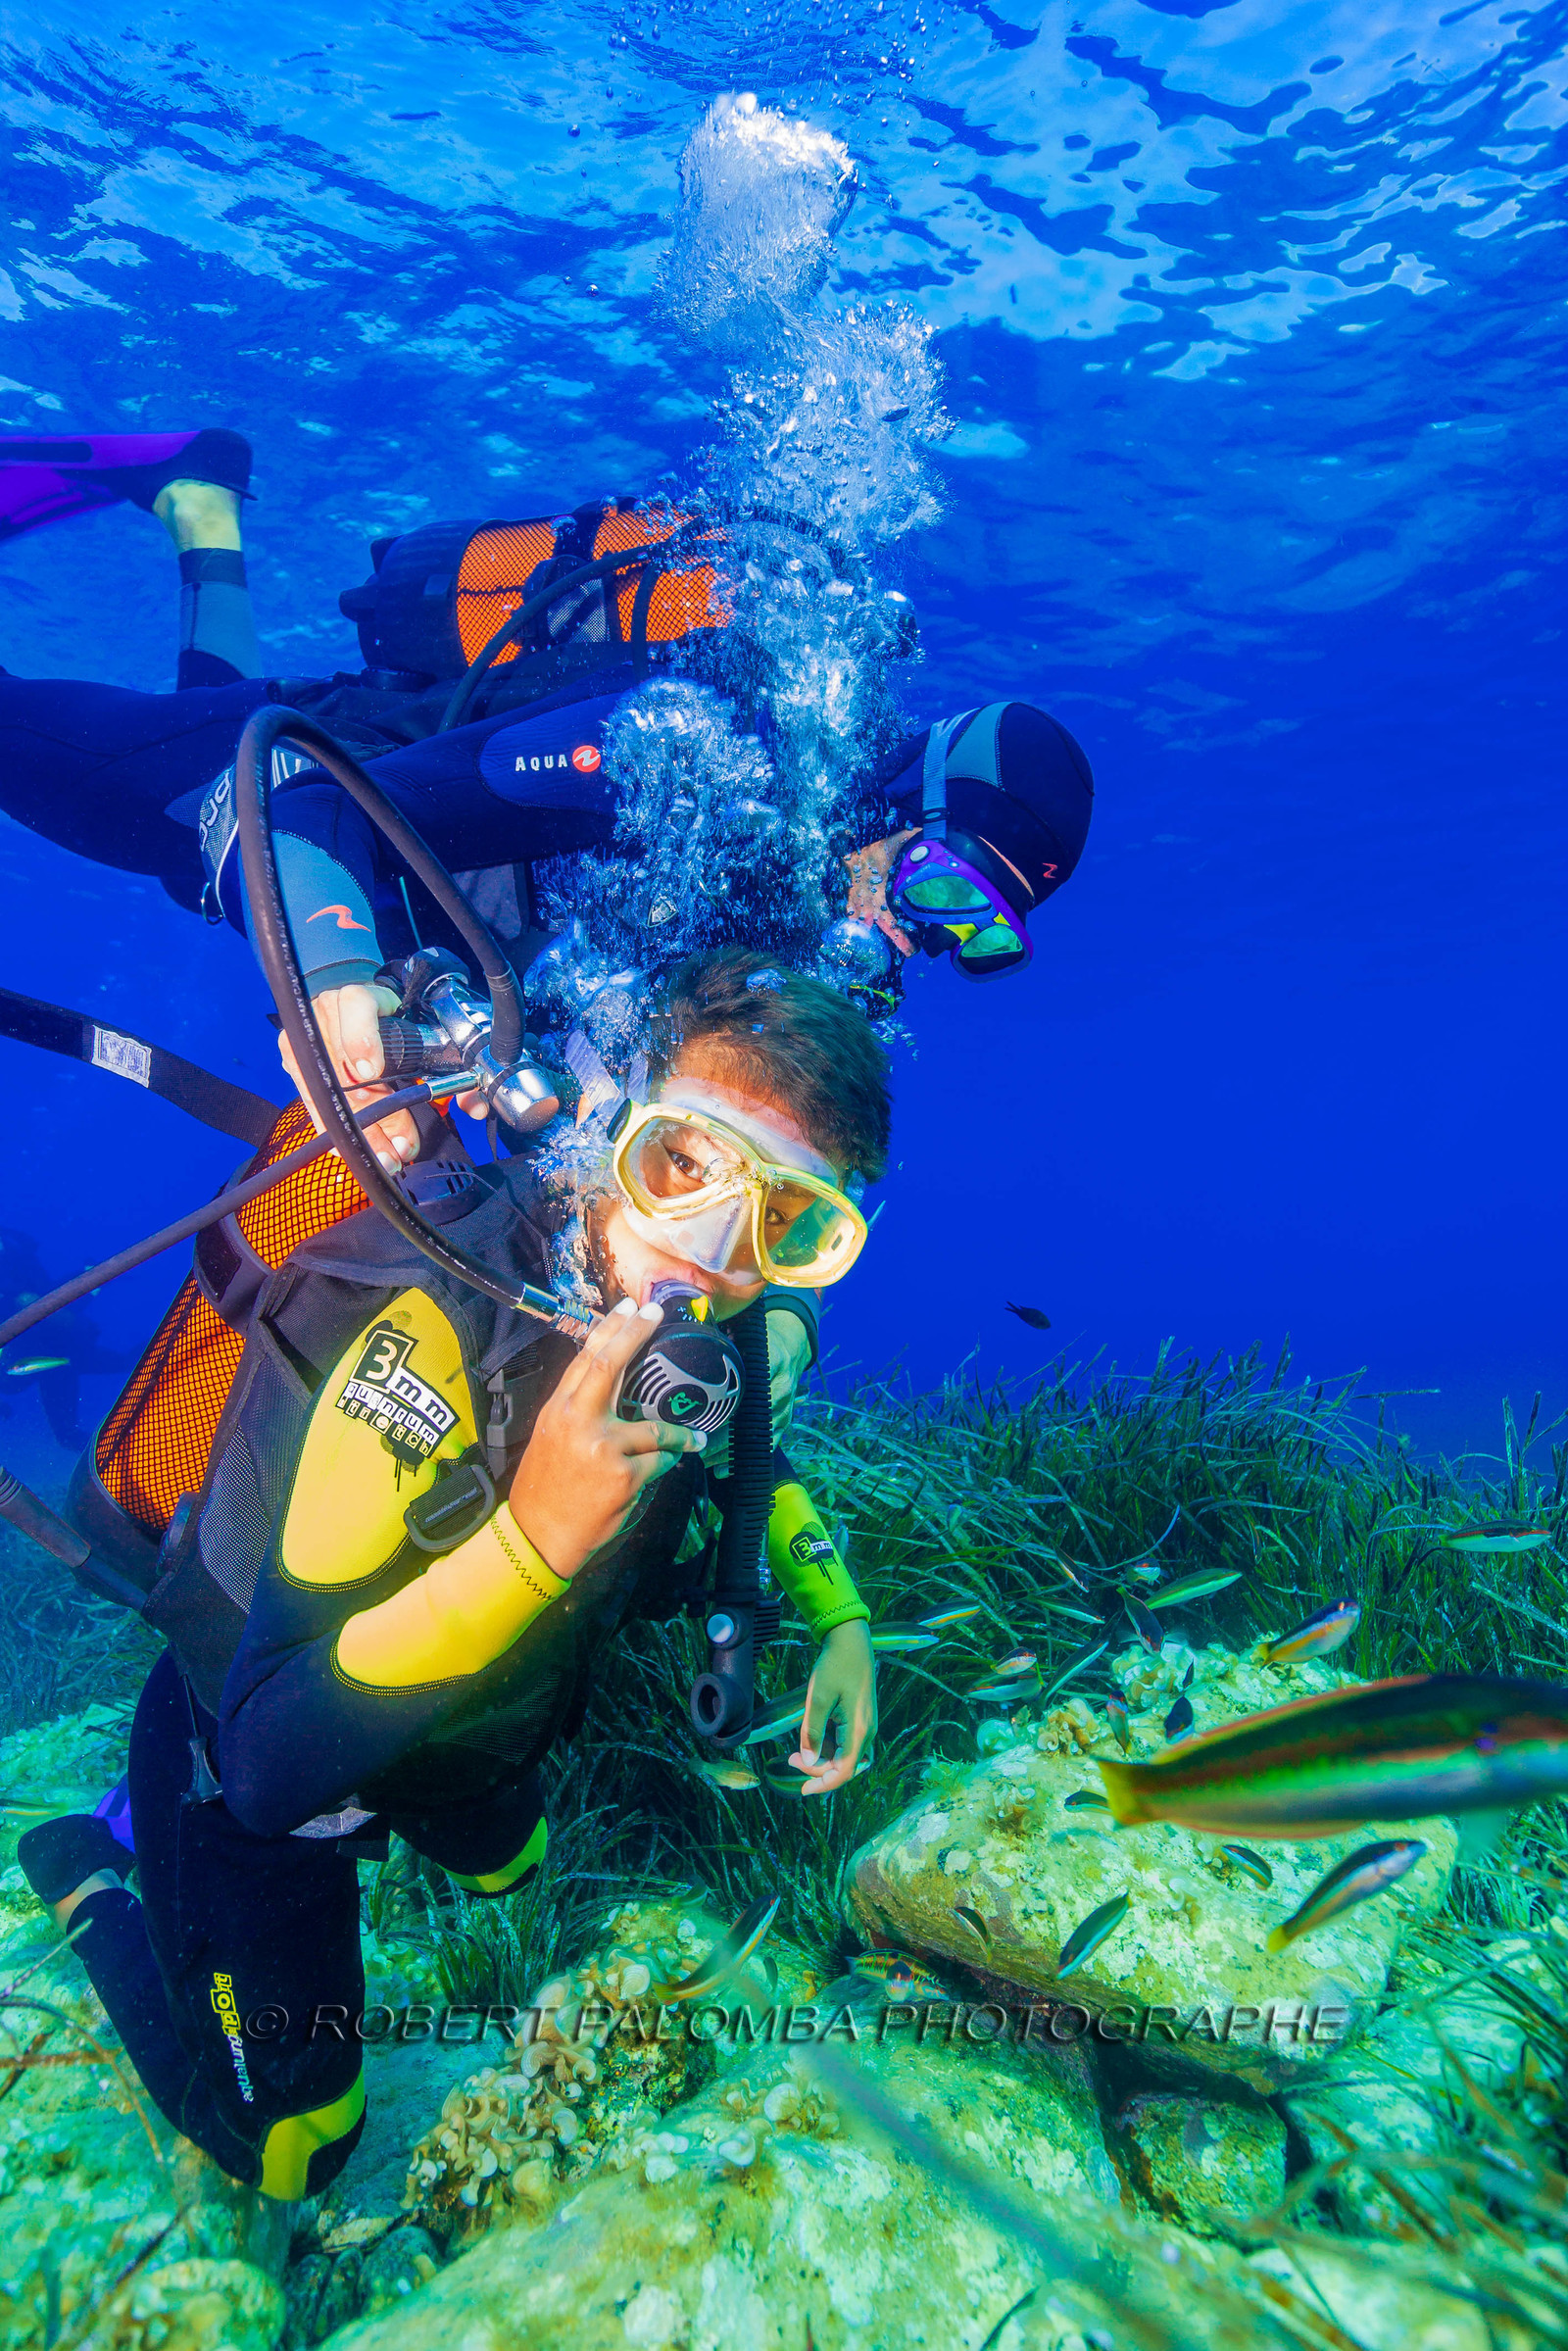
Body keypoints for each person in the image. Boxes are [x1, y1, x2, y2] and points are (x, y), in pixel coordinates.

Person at [18, 948, 887, 2201]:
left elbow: (762, 1465)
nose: (711, 1247)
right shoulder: (425, 1331)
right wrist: (531, 1539)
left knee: (510, 1864)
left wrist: (838, 1614)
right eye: (681, 1164)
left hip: (450, 1716)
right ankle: (89, 1865)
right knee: (293, 2153)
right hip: (267, 1735)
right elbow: (269, 1762)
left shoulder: (703, 1336)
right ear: (607, 1128)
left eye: (788, 1220)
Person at [0, 428, 1095, 1169]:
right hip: (295, 770)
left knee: (170, 835)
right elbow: (287, 798)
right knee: (70, 781)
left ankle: (202, 504)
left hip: (334, 878)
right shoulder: (686, 753)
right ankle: (196, 508)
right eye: (943, 880)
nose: (922, 932)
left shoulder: (792, 933)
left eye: (977, 933)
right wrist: (334, 976)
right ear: (901, 792)